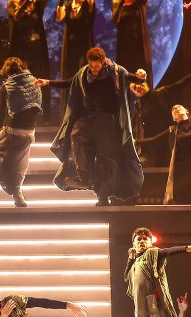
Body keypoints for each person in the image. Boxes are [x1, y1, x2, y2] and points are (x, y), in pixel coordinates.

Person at [52, 47, 145, 206]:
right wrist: (48, 82)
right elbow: (69, 82)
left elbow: (133, 78)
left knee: (105, 159)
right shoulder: (84, 73)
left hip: (108, 120)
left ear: (102, 62)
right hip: (91, 118)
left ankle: (103, 195)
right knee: (76, 135)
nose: (93, 69)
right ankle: (83, 176)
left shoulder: (115, 71)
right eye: (91, 65)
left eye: (96, 66)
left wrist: (141, 77)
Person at [135, 92, 191, 204]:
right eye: (173, 110)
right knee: (184, 205)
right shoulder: (173, 130)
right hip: (182, 173)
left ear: (186, 111)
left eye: (179, 107)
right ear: (174, 118)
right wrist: (135, 141)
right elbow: (154, 139)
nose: (176, 108)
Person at [0, 57, 42, 207]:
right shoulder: (35, 82)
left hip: (13, 130)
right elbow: (39, 105)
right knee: (18, 163)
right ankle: (16, 194)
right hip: (30, 132)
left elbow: (2, 112)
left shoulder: (7, 87)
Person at [8, 0, 51, 80]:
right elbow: (16, 17)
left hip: (36, 49)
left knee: (37, 77)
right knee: (22, 77)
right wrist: (26, 2)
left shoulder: (36, 5)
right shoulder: (12, 4)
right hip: (21, 50)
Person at [113, 0, 152, 86]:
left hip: (138, 47)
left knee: (139, 74)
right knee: (126, 73)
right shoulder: (119, 5)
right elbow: (115, 19)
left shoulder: (139, 4)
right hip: (125, 47)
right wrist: (121, 4)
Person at [56, 0, 96, 80]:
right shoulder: (67, 5)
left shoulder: (88, 4)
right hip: (70, 46)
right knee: (70, 72)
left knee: (83, 71)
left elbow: (91, 17)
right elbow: (59, 18)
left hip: (84, 46)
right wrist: (60, 3)